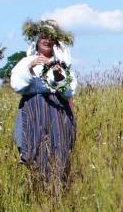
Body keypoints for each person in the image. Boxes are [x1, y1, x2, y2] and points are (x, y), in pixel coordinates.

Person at [10, 19, 77, 191]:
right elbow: (17, 85)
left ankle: (57, 188)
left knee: (59, 146)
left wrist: (59, 76)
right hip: (33, 109)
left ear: (55, 42)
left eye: (50, 38)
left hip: (57, 110)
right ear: (37, 41)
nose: (46, 41)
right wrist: (30, 68)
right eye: (43, 38)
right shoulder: (26, 61)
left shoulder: (61, 64)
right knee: (35, 146)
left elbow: (69, 92)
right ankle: (38, 187)